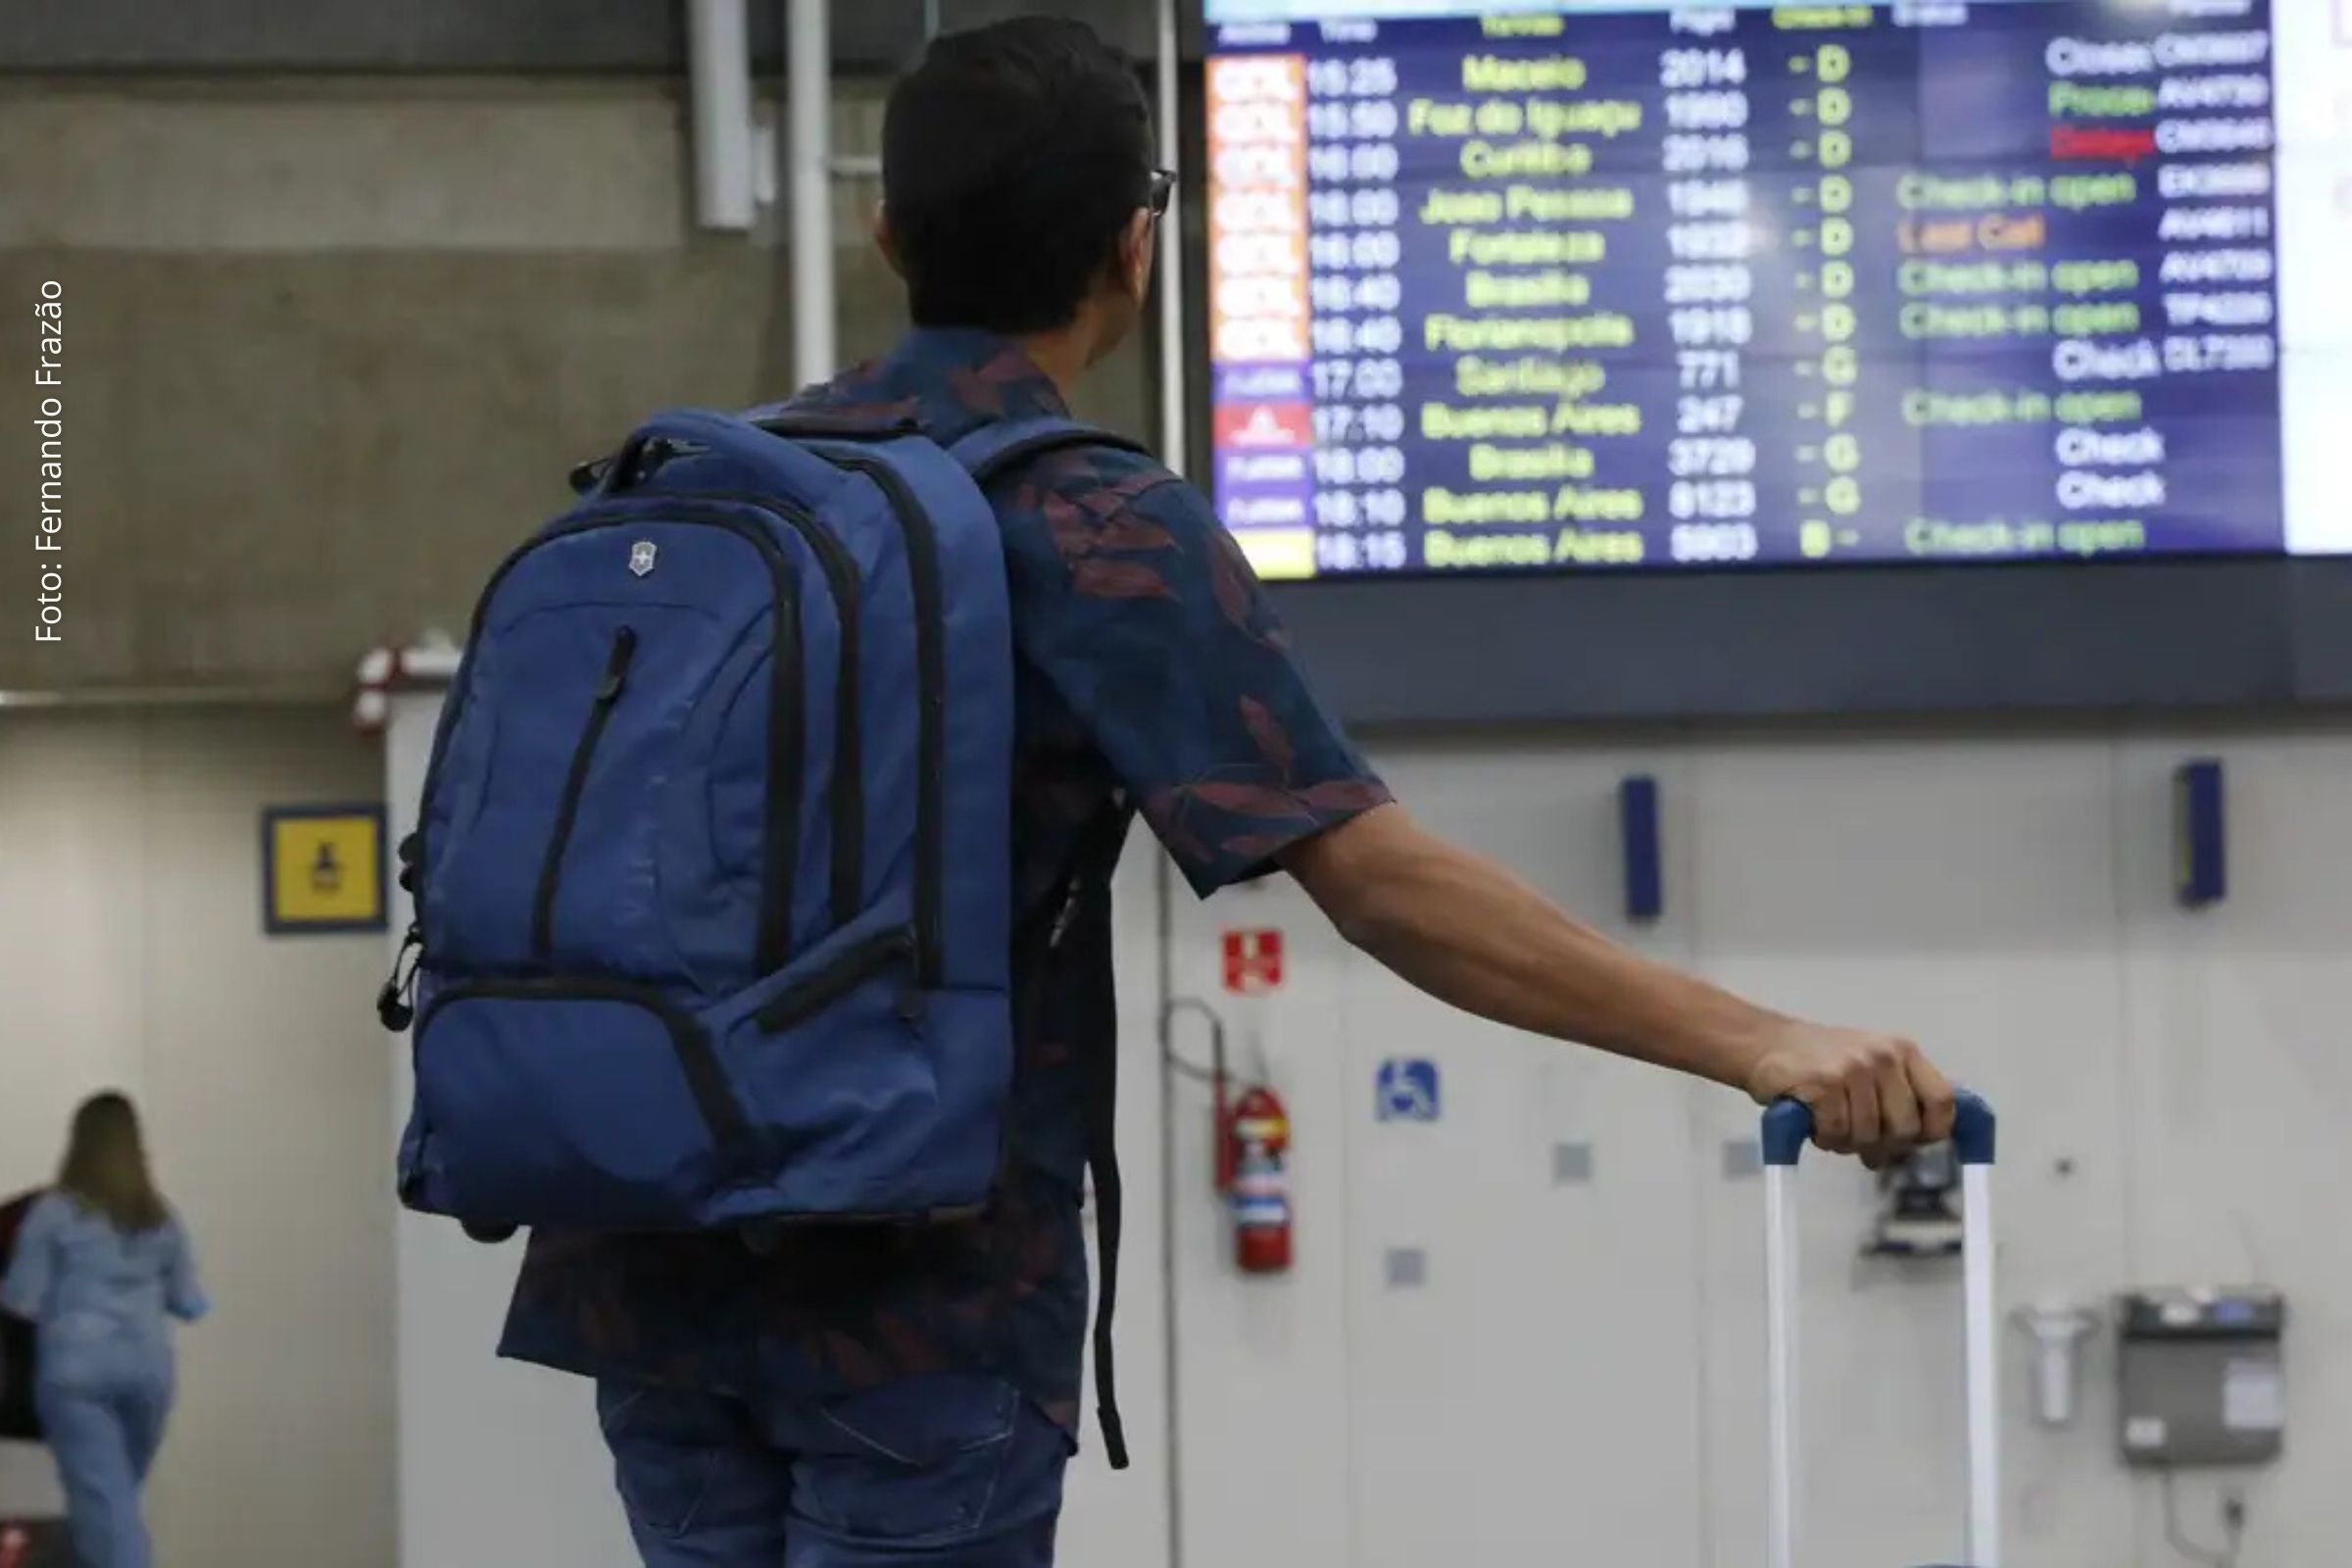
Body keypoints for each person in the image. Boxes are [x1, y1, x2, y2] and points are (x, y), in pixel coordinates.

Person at [498, 18, 1960, 1566]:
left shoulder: (709, 485)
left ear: (884, 230)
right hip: (915, 1305)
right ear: (1135, 248)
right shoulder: (1084, 516)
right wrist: (1763, 1044)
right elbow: (1382, 885)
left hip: (643, 1266)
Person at [0, 1093, 207, 1568]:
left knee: (104, 1509)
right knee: (113, 1503)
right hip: (147, 1373)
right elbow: (188, 1302)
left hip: (76, 1374)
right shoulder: (160, 1218)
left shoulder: (52, 1213)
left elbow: (21, 1298)